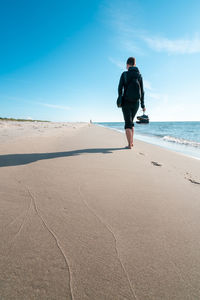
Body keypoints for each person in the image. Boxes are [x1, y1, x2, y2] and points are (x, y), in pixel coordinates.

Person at [118, 57, 146, 149]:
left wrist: (120, 97)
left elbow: (119, 88)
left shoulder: (124, 74)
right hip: (136, 103)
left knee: (127, 124)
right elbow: (142, 91)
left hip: (126, 102)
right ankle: (132, 142)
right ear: (134, 64)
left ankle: (129, 145)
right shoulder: (139, 75)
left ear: (127, 64)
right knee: (131, 123)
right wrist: (143, 105)